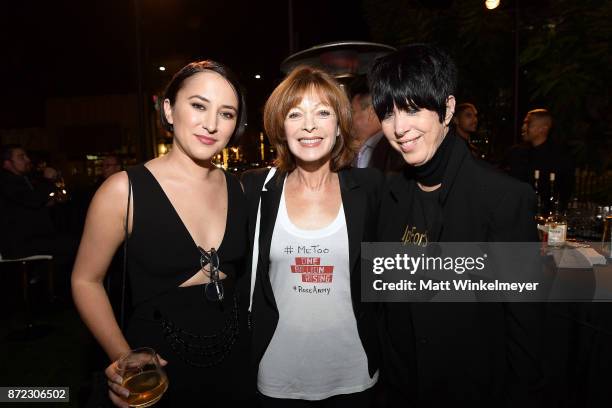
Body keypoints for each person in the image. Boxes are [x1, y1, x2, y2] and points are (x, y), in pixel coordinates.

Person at [369, 44, 544, 406]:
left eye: (413, 108)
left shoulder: (503, 198)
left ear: (447, 109)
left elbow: (525, 328)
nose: (400, 128)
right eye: (388, 113)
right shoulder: (389, 194)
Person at [71, 60, 252, 407]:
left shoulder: (238, 188)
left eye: (226, 114)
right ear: (169, 110)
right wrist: (123, 356)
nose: (211, 124)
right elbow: (85, 280)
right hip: (157, 363)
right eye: (198, 105)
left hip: (235, 356)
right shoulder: (123, 190)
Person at [242, 66, 382, 407]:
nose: (309, 125)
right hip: (277, 378)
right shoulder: (254, 190)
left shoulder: (371, 190)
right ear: (281, 127)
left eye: (322, 112)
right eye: (295, 114)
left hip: (354, 375)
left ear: (338, 127)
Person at [503, 108, 574, 211]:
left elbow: (565, 191)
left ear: (543, 128)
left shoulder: (559, 157)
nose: (523, 127)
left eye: (528, 124)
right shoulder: (515, 153)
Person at [0, 144, 57, 258]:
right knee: (75, 246)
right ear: (7, 163)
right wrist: (47, 180)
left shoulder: (24, 178)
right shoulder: (6, 181)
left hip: (33, 239)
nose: (28, 160)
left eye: (26, 156)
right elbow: (33, 200)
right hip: (20, 244)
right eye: (21, 157)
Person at [349, 76, 403, 173]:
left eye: (353, 112)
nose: (349, 119)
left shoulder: (394, 150)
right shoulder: (360, 148)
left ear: (372, 113)